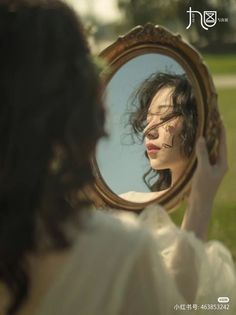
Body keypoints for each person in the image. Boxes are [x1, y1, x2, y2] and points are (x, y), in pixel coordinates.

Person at [0, 1, 235, 315]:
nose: (149, 128)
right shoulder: (121, 251)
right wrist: (201, 202)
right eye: (147, 118)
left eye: (164, 117)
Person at [120, 72, 198, 202]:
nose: (148, 131)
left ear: (196, 121)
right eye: (148, 120)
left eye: (166, 116)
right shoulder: (129, 202)